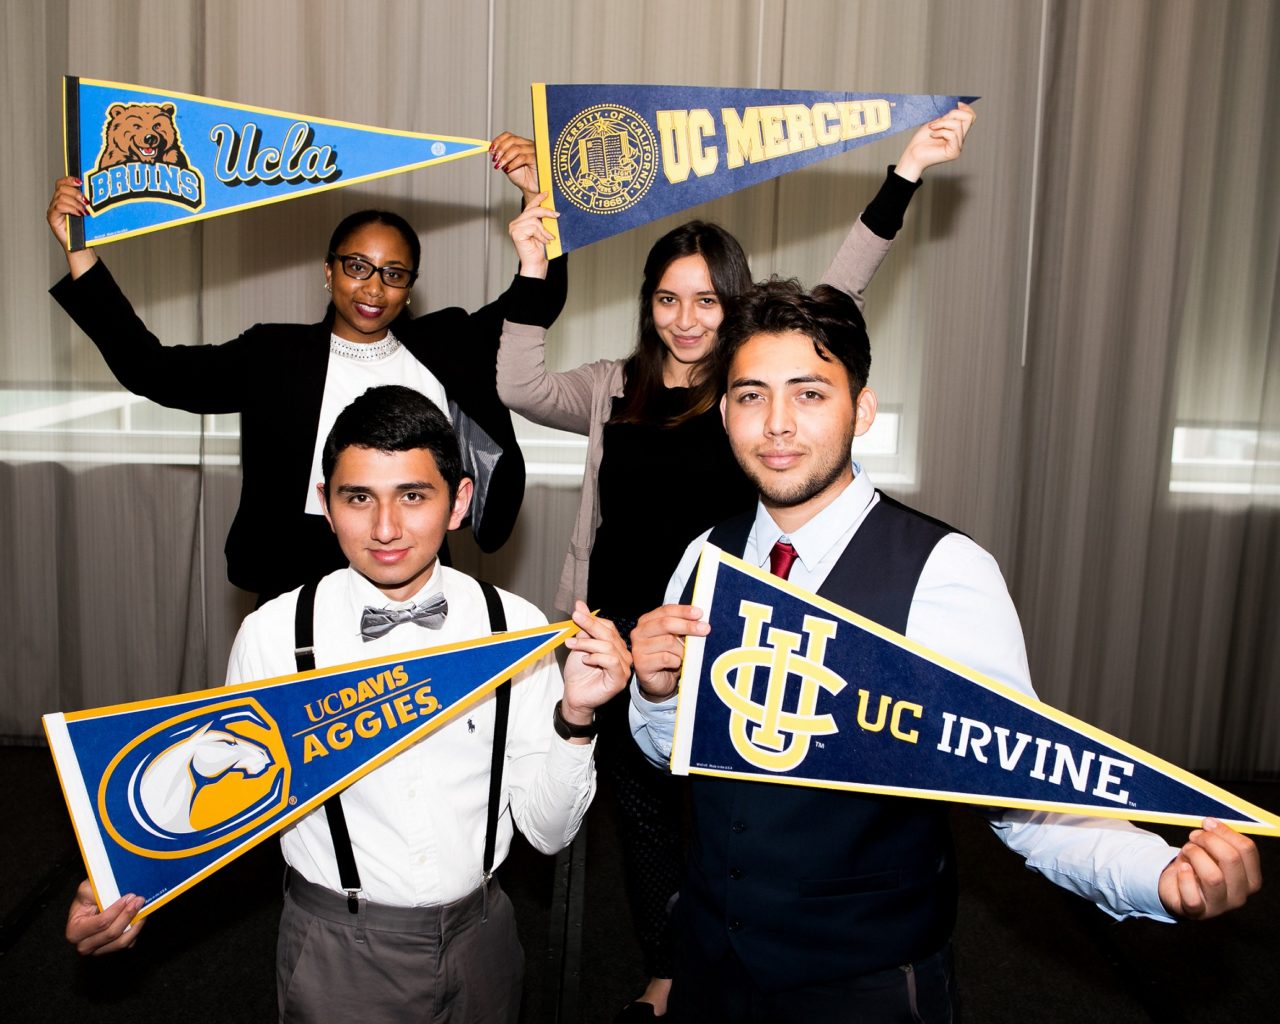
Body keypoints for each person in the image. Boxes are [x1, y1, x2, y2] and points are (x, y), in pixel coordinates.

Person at [628, 280, 1263, 1023]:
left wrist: (1159, 876)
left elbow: (1025, 796)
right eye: (750, 396)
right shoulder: (707, 556)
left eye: (808, 394)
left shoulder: (944, 572)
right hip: (711, 966)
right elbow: (668, 751)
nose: (776, 425)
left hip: (863, 980)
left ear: (860, 410)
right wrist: (657, 692)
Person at [499, 106, 976, 1018]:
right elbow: (517, 384)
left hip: (727, 634)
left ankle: (734, 946)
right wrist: (533, 258)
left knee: (733, 817)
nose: (686, 319)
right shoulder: (611, 386)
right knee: (639, 816)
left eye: (707, 299)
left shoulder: (753, 393)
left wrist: (906, 171)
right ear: (648, 303)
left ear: (735, 304)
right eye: (668, 298)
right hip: (617, 640)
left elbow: (840, 290)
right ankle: (671, 961)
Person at [66, 384, 632, 1022]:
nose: (385, 528)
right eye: (358, 497)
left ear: (459, 503)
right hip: (336, 948)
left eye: (412, 496)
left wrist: (576, 718)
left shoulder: (513, 625)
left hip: (485, 938)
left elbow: (549, 833)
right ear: (325, 506)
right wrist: (121, 890)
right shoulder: (277, 633)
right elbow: (222, 790)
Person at [46, 134, 557, 601]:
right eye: (357, 267)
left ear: (410, 288)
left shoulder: (446, 342)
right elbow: (152, 369)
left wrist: (539, 196)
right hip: (293, 571)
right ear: (328, 270)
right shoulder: (273, 355)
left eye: (394, 274)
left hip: (415, 565)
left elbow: (536, 302)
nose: (374, 288)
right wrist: (81, 252)